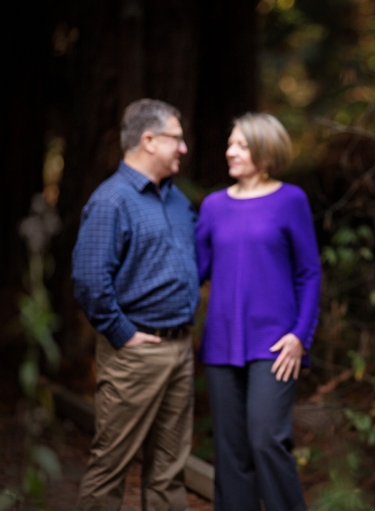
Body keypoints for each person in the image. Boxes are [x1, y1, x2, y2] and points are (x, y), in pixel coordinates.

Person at [72, 98, 199, 510]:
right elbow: (90, 281)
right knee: (111, 467)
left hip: (180, 350)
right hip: (135, 353)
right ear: (149, 140)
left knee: (168, 471)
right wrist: (123, 334)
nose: (183, 148)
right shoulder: (112, 201)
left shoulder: (178, 201)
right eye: (176, 139)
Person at [195, 112, 321, 511]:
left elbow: (309, 273)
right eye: (230, 144)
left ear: (265, 152)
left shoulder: (290, 200)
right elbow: (193, 272)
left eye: (241, 145)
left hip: (276, 344)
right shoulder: (213, 206)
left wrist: (301, 336)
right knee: (231, 453)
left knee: (267, 438)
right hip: (221, 344)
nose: (230, 151)